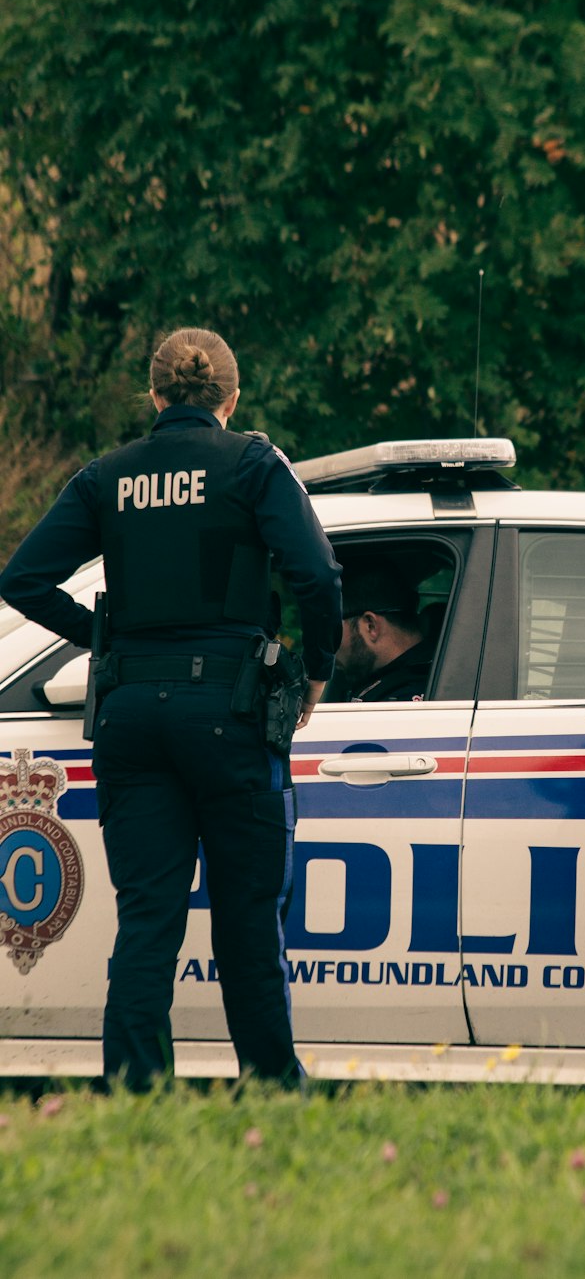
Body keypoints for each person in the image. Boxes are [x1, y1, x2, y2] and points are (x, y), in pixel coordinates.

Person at [0, 328, 342, 1091]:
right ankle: (272, 1090)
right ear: (231, 395)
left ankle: (133, 1094)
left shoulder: (107, 476)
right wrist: (313, 673)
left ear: (153, 396)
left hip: (132, 719)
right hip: (231, 713)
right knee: (247, 920)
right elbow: (318, 576)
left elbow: (22, 579)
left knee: (148, 919)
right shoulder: (253, 463)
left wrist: (103, 635)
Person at [333, 569, 432, 701]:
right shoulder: (430, 676)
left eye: (331, 628)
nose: (327, 644)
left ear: (371, 626)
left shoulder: (406, 699)